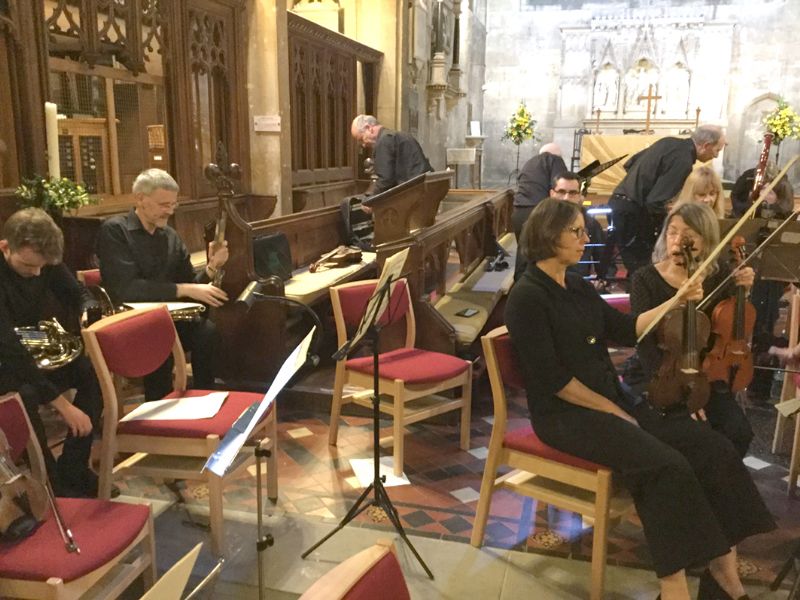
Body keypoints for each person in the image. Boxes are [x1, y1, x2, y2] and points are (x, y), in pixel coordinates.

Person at [506, 197, 774, 600]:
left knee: (712, 447)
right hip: (567, 414)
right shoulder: (527, 297)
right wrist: (615, 409)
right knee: (665, 464)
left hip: (609, 400)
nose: (585, 237)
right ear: (548, 237)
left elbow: (629, 329)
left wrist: (679, 298)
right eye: (576, 231)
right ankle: (675, 587)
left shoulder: (575, 283)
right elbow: (554, 382)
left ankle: (724, 580)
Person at [622, 202, 755, 456]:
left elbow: (729, 327)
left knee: (738, 432)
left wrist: (744, 292)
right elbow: (644, 342)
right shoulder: (645, 278)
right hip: (658, 374)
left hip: (704, 374)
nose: (677, 241)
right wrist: (680, 395)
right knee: (696, 437)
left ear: (706, 241)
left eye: (688, 236)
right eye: (672, 232)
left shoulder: (720, 276)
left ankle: (715, 492)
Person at [96, 168, 229, 400]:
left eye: (173, 205)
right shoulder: (115, 231)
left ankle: (206, 399)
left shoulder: (170, 236)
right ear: (140, 199)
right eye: (163, 204)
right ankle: (159, 415)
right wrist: (184, 289)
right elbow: (127, 289)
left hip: (167, 319)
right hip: (130, 323)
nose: (169, 211)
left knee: (207, 332)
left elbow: (189, 285)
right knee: (159, 345)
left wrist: (212, 267)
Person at [0, 208, 103, 497]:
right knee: (25, 396)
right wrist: (63, 405)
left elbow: (78, 294)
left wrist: (86, 312)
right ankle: (50, 480)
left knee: (89, 372)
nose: (36, 273)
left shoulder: (43, 259)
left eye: (43, 267)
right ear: (5, 247)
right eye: (28, 265)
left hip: (29, 348)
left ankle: (75, 466)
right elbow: (9, 349)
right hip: (5, 360)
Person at [601, 125, 726, 281]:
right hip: (632, 213)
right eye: (717, 150)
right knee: (643, 270)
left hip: (619, 203)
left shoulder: (668, 142)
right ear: (706, 146)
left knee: (637, 268)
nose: (715, 156)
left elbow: (630, 164)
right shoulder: (683, 160)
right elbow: (655, 202)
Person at [730, 162, 796, 403]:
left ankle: (759, 389)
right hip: (743, 276)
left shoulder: (784, 217)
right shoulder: (744, 213)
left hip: (769, 280)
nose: (761, 194)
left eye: (770, 190)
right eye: (761, 190)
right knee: (742, 326)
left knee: (763, 327)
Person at [350, 115, 433, 196]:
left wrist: (369, 201)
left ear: (369, 128)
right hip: (423, 189)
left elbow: (385, 179)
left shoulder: (385, 140)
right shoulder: (398, 136)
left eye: (361, 139)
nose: (363, 145)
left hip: (412, 193)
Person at [550, 171, 606, 284]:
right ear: (552, 193)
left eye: (572, 193)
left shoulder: (590, 224)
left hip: (579, 285)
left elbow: (602, 258)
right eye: (561, 192)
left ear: (580, 196)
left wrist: (602, 280)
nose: (566, 198)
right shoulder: (539, 222)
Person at [511, 142, 567, 241]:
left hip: (519, 212)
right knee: (542, 252)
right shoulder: (555, 160)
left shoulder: (529, 162)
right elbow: (561, 186)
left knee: (523, 251)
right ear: (558, 154)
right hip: (539, 213)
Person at [730, 161, 794, 219]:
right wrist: (747, 207)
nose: (764, 184)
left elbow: (787, 209)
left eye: (767, 181)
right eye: (762, 182)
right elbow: (734, 195)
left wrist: (769, 206)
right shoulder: (747, 177)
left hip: (773, 218)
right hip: (744, 215)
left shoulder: (783, 184)